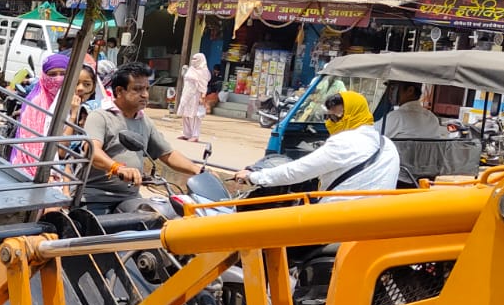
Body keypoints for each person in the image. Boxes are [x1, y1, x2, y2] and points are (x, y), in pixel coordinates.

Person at [79, 63, 206, 213]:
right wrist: (117, 168)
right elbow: (92, 151)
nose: (145, 94)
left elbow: (167, 154)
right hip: (97, 197)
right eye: (137, 89)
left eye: (146, 89)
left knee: (161, 219)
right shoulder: (100, 116)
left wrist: (199, 171)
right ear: (119, 91)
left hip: (130, 197)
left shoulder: (144, 121)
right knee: (98, 231)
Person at [234, 90, 400, 199]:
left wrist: (254, 176)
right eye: (327, 118)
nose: (330, 123)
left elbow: (297, 171)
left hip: (336, 222)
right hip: (374, 222)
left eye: (335, 118)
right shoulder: (388, 146)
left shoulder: (344, 143)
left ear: (353, 115)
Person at [379, 81, 445, 140]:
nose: (390, 93)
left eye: (393, 88)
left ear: (410, 90)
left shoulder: (398, 117)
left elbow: (372, 138)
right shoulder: (433, 118)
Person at [177, 53, 210, 141]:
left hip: (196, 95)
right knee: (185, 114)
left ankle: (195, 136)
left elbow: (204, 84)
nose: (193, 60)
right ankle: (187, 134)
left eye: (196, 59)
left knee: (195, 116)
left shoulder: (203, 71)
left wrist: (203, 96)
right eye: (193, 58)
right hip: (187, 94)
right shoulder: (191, 69)